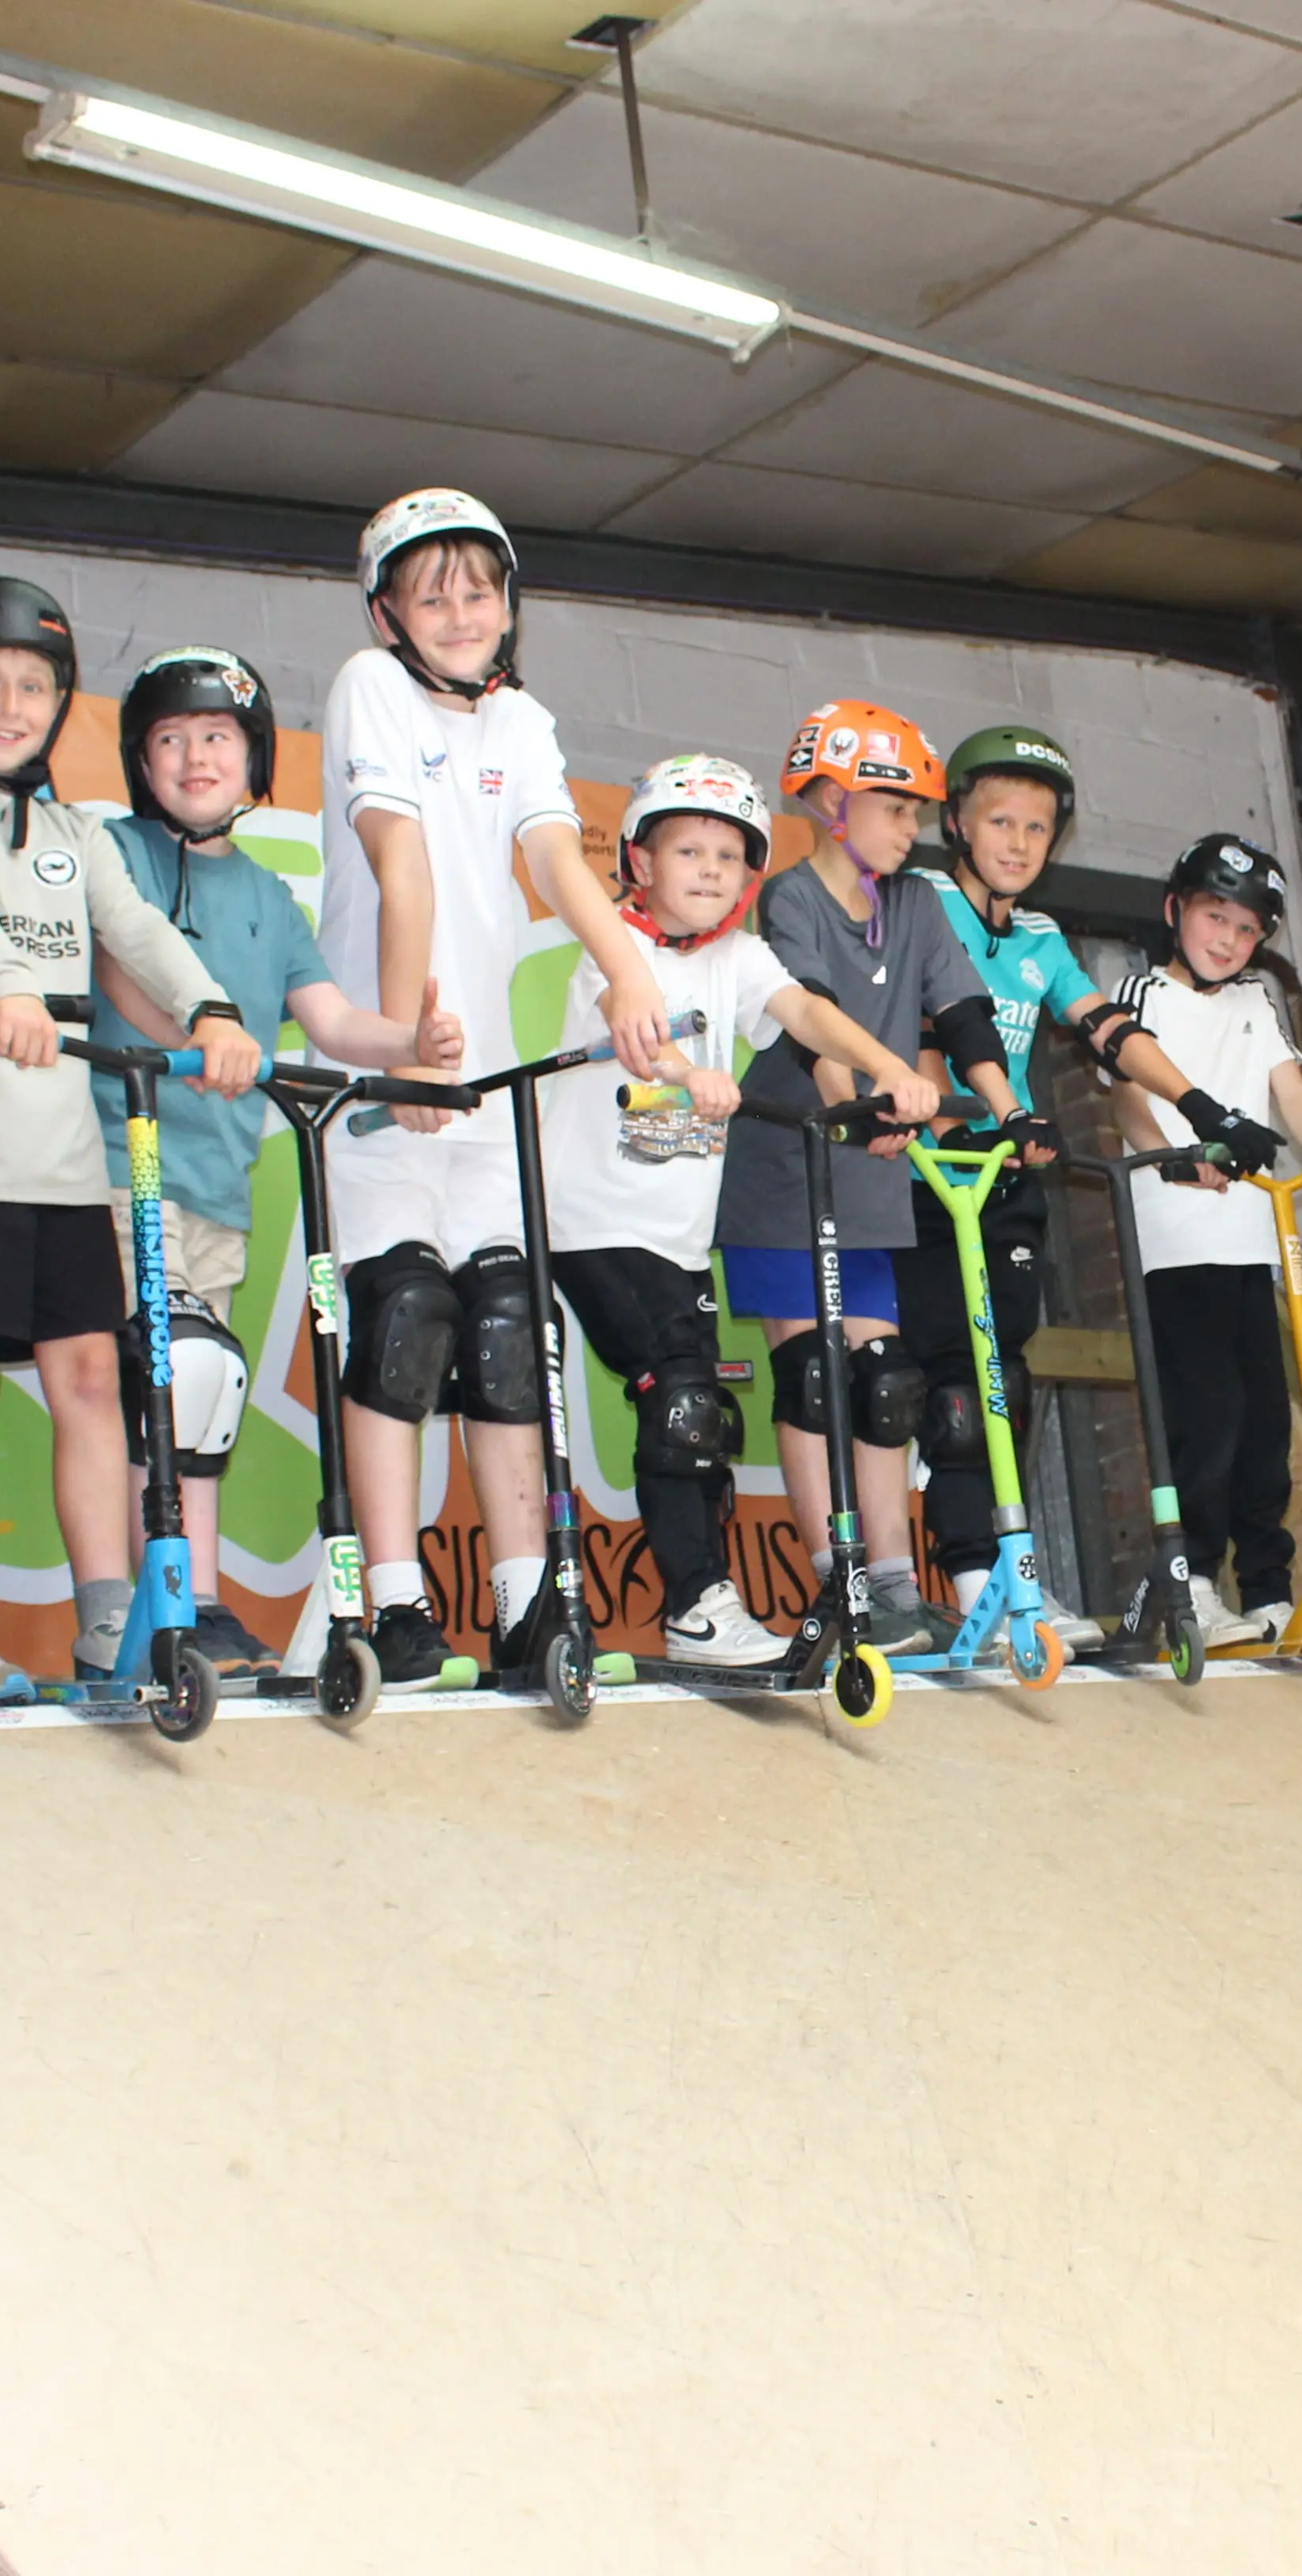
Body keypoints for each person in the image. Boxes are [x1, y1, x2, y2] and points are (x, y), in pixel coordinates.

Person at [0, 578, 263, 1691]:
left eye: (34, 686)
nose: (10, 703)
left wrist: (214, 1011)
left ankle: (113, 1624)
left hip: (63, 1167)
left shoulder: (72, 831)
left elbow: (135, 926)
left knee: (94, 1379)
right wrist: (6, 991)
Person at [317, 490, 671, 1691]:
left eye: (481, 590)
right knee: (405, 1323)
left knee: (512, 1335)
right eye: (435, 593)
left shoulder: (520, 718)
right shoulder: (370, 688)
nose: (462, 613)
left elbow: (555, 863)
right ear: (389, 613)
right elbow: (398, 863)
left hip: (483, 1089)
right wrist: (412, 1038)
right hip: (386, 1076)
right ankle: (387, 1605)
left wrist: (630, 978)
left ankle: (530, 1606)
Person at [94, 645, 455, 1676]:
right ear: (140, 760)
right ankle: (169, 1599)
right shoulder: (113, 850)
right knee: (171, 1376)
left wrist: (411, 1047)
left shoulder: (270, 897)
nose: (195, 757)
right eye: (171, 739)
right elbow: (125, 979)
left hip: (215, 1185)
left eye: (218, 739)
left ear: (255, 763)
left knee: (206, 1389)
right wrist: (199, 1025)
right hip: (126, 1168)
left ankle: (192, 1598)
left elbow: (333, 1019)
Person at [544, 755, 933, 1669]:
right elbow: (641, 1038)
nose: (712, 870)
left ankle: (708, 1601)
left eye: (729, 854)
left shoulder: (740, 954)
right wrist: (688, 1074)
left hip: (678, 1242)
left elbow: (804, 1012)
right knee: (681, 1399)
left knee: (707, 1415)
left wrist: (889, 1070)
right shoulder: (618, 952)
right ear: (640, 863)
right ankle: (696, 1607)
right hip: (592, 1224)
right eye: (690, 849)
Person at [904, 727, 1252, 1632]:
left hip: (1010, 1170)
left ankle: (1011, 1578)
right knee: (951, 1384)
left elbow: (1101, 1024)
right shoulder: (920, 903)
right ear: (956, 823)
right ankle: (981, 1585)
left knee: (1002, 1382)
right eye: (1001, 821)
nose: (1019, 843)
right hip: (928, 1169)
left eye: (1039, 828)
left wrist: (1203, 1107)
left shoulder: (1043, 935)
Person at [711, 700, 1036, 1658]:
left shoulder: (921, 904)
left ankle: (894, 1584)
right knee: (817, 1379)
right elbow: (808, 1018)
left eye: (916, 810)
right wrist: (859, 1101)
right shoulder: (793, 898)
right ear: (825, 801)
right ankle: (839, 1582)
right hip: (792, 1170)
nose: (910, 827)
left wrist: (1008, 1108)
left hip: (875, 1177)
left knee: (885, 1382)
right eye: (893, 806)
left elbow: (966, 1014)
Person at [1108, 833, 1302, 1643]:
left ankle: (1269, 1589)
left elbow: (1290, 1087)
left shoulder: (1257, 1001)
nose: (1227, 939)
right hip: (1178, 1243)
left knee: (1265, 1427)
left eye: (1246, 928)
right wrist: (1173, 1154)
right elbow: (1123, 1094)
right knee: (1207, 1418)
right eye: (1214, 917)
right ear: (1175, 911)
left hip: (1255, 1241)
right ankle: (1194, 1583)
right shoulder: (1139, 992)